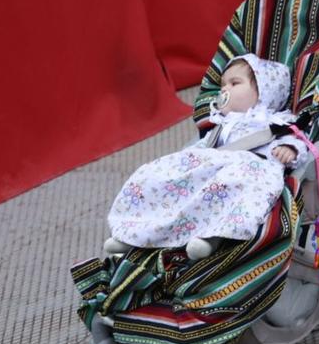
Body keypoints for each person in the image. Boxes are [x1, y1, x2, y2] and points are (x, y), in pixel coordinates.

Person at [106, 56, 301, 253]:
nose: (225, 89)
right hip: (215, 164)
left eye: (235, 83)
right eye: (223, 85)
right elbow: (205, 147)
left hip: (248, 169)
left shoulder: (275, 123)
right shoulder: (222, 125)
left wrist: (290, 149)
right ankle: (135, 231)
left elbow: (296, 140)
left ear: (265, 92)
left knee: (231, 185)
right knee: (155, 173)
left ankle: (213, 238)